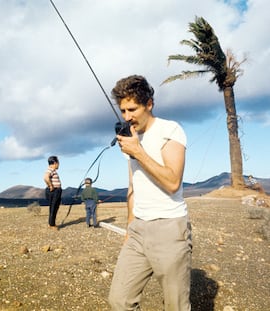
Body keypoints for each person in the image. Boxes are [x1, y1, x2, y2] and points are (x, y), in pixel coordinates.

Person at [108, 75, 192, 311]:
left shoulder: (170, 130)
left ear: (149, 104)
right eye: (123, 110)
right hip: (137, 231)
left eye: (132, 109)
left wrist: (139, 151)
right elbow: (133, 186)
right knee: (119, 301)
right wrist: (129, 227)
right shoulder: (130, 139)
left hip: (169, 228)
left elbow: (173, 181)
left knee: (175, 306)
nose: (127, 117)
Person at [43, 156, 62, 230]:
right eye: (58, 163)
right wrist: (50, 185)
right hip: (54, 191)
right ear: (55, 163)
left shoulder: (53, 171)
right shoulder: (50, 170)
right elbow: (46, 177)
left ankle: (51, 223)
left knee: (54, 207)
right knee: (53, 207)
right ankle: (51, 225)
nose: (59, 165)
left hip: (56, 191)